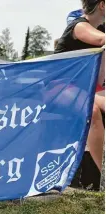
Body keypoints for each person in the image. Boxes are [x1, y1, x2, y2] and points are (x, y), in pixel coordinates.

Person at [55, 0, 105, 171]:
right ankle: (103, 172)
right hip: (57, 87)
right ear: (102, 5)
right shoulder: (79, 26)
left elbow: (99, 82)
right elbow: (101, 40)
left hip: (84, 88)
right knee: (92, 111)